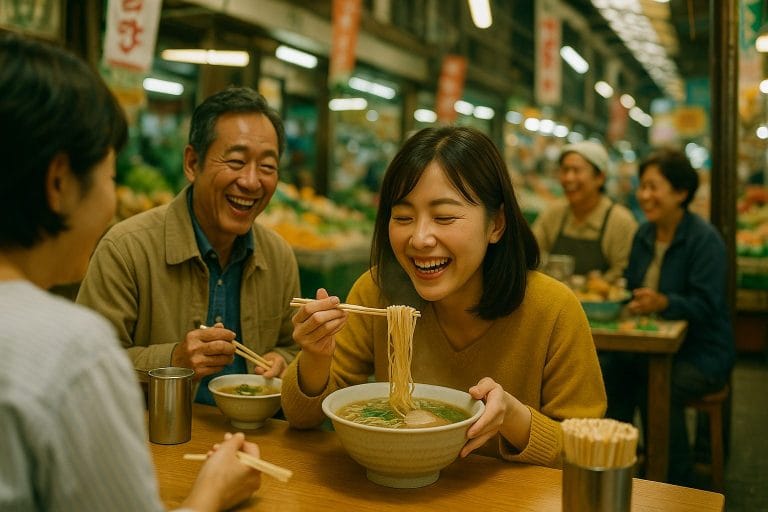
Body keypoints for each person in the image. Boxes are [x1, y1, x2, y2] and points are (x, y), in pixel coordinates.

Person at [0, 32, 261, 510]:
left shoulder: (275, 253)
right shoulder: (72, 349)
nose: (114, 200)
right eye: (110, 175)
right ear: (58, 182)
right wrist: (212, 491)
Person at [281, 126, 606, 467]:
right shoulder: (378, 291)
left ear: (495, 224)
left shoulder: (552, 309)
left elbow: (589, 448)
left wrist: (513, 417)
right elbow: (302, 419)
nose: (420, 238)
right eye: (403, 217)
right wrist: (315, 357)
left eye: (445, 217)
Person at [77, 86, 300, 405]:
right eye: (236, 161)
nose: (252, 182)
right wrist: (174, 361)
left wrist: (282, 362)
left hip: (254, 439)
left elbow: (291, 348)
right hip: (158, 439)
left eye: (267, 167)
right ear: (193, 163)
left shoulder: (278, 256)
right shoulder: (127, 248)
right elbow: (87, 365)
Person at [601, 147, 735, 486]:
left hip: (701, 352)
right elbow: (632, 288)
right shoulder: (644, 234)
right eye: (641, 186)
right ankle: (614, 469)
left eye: (653, 187)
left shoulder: (705, 240)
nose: (644, 195)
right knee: (609, 373)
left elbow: (707, 305)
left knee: (656, 384)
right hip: (648, 345)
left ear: (680, 192)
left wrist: (664, 302)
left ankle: (674, 482)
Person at [532, 141, 638, 283]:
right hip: (556, 300)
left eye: (576, 170)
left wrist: (590, 287)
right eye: (565, 170)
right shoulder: (554, 212)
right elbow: (531, 253)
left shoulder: (620, 221)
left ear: (600, 178)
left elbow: (623, 271)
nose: (569, 178)